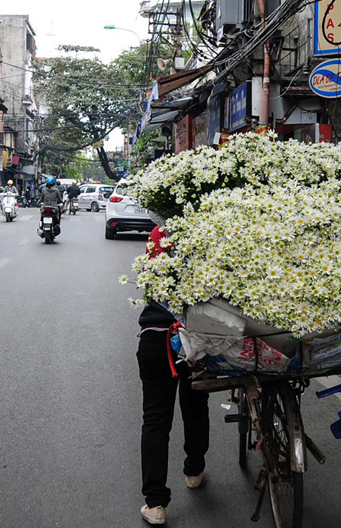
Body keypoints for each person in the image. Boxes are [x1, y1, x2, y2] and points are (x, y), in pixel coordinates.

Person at [138, 225, 209, 525]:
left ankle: (155, 505)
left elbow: (150, 282)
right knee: (195, 407)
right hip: (198, 338)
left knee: (156, 419)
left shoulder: (160, 234)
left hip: (157, 338)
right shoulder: (208, 232)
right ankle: (193, 470)